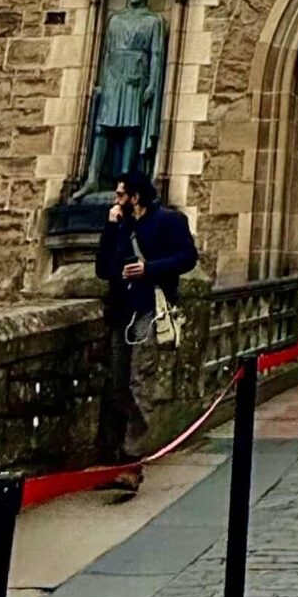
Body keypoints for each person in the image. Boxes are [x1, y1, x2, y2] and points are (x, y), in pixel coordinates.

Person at [95, 170, 198, 494]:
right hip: (122, 312)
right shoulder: (121, 225)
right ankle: (112, 457)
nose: (116, 200)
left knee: (139, 379)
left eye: (120, 195)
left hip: (147, 313)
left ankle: (132, 461)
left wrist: (149, 269)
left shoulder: (169, 221)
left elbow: (187, 258)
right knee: (116, 383)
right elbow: (102, 267)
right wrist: (111, 228)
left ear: (135, 197)